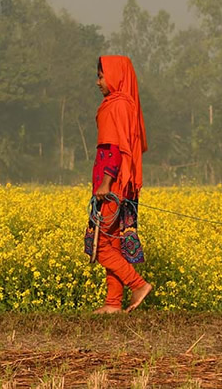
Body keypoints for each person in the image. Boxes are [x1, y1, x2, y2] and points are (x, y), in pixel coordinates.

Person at [87, 55, 153, 313]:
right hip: (125, 185)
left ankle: (138, 285)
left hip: (112, 185)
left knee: (101, 246)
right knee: (114, 243)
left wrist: (105, 183)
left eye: (101, 76)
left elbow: (113, 149)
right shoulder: (128, 105)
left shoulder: (114, 106)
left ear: (115, 75)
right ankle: (113, 303)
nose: (98, 82)